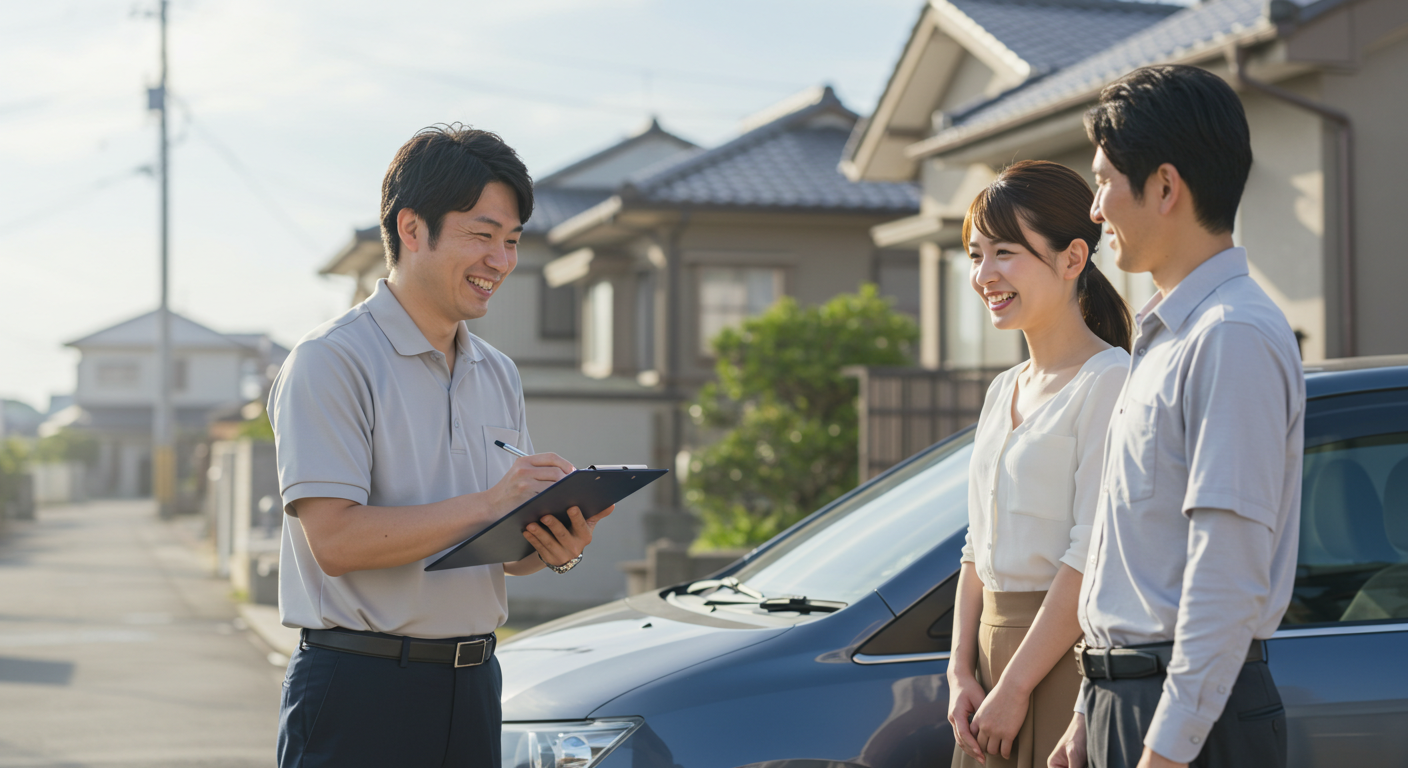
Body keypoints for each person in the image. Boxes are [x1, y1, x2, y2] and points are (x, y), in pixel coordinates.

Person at [268, 124, 612, 768]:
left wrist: (553, 544)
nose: (501, 261)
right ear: (412, 229)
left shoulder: (497, 372)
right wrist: (491, 503)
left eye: (511, 242)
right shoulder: (331, 361)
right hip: (360, 688)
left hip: (476, 683)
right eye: (481, 236)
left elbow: (503, 559)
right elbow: (336, 544)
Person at [1049, 65, 1304, 768]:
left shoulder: (1231, 336)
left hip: (1186, 723)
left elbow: (1228, 567)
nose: (1095, 210)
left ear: (1165, 186)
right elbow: (1132, 553)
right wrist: (1090, 709)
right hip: (1128, 704)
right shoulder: (1170, 336)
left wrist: (1164, 749)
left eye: (1103, 181)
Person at [949, 160, 1133, 768]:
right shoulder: (1004, 388)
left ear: (1073, 258)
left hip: (1060, 661)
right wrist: (958, 672)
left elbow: (1091, 554)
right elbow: (977, 545)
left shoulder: (1110, 380)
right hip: (986, 666)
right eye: (976, 254)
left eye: (1005, 252)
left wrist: (1017, 686)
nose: (985, 274)